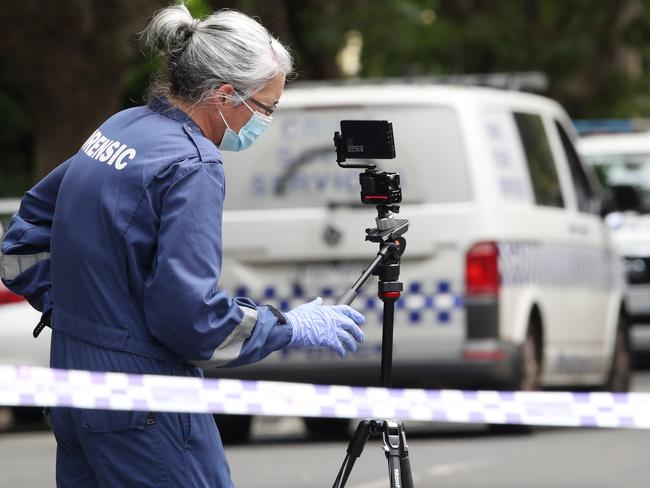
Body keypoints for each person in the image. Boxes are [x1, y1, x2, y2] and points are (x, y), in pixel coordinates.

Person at [0, 5, 366, 487]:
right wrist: (287, 327)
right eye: (266, 107)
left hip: (74, 384)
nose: (267, 119)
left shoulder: (121, 128)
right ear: (223, 95)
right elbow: (191, 320)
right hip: (145, 402)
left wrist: (91, 314)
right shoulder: (194, 165)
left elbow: (17, 247)